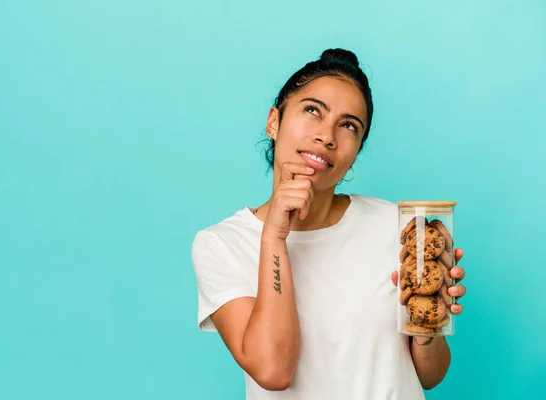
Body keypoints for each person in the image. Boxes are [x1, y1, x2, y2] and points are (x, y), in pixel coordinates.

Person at [191, 48, 467, 399]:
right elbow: (273, 371)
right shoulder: (221, 244)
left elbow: (430, 375)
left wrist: (428, 321)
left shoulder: (398, 227)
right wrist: (274, 237)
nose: (327, 136)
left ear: (356, 152)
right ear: (273, 121)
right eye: (312, 111)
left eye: (349, 125)